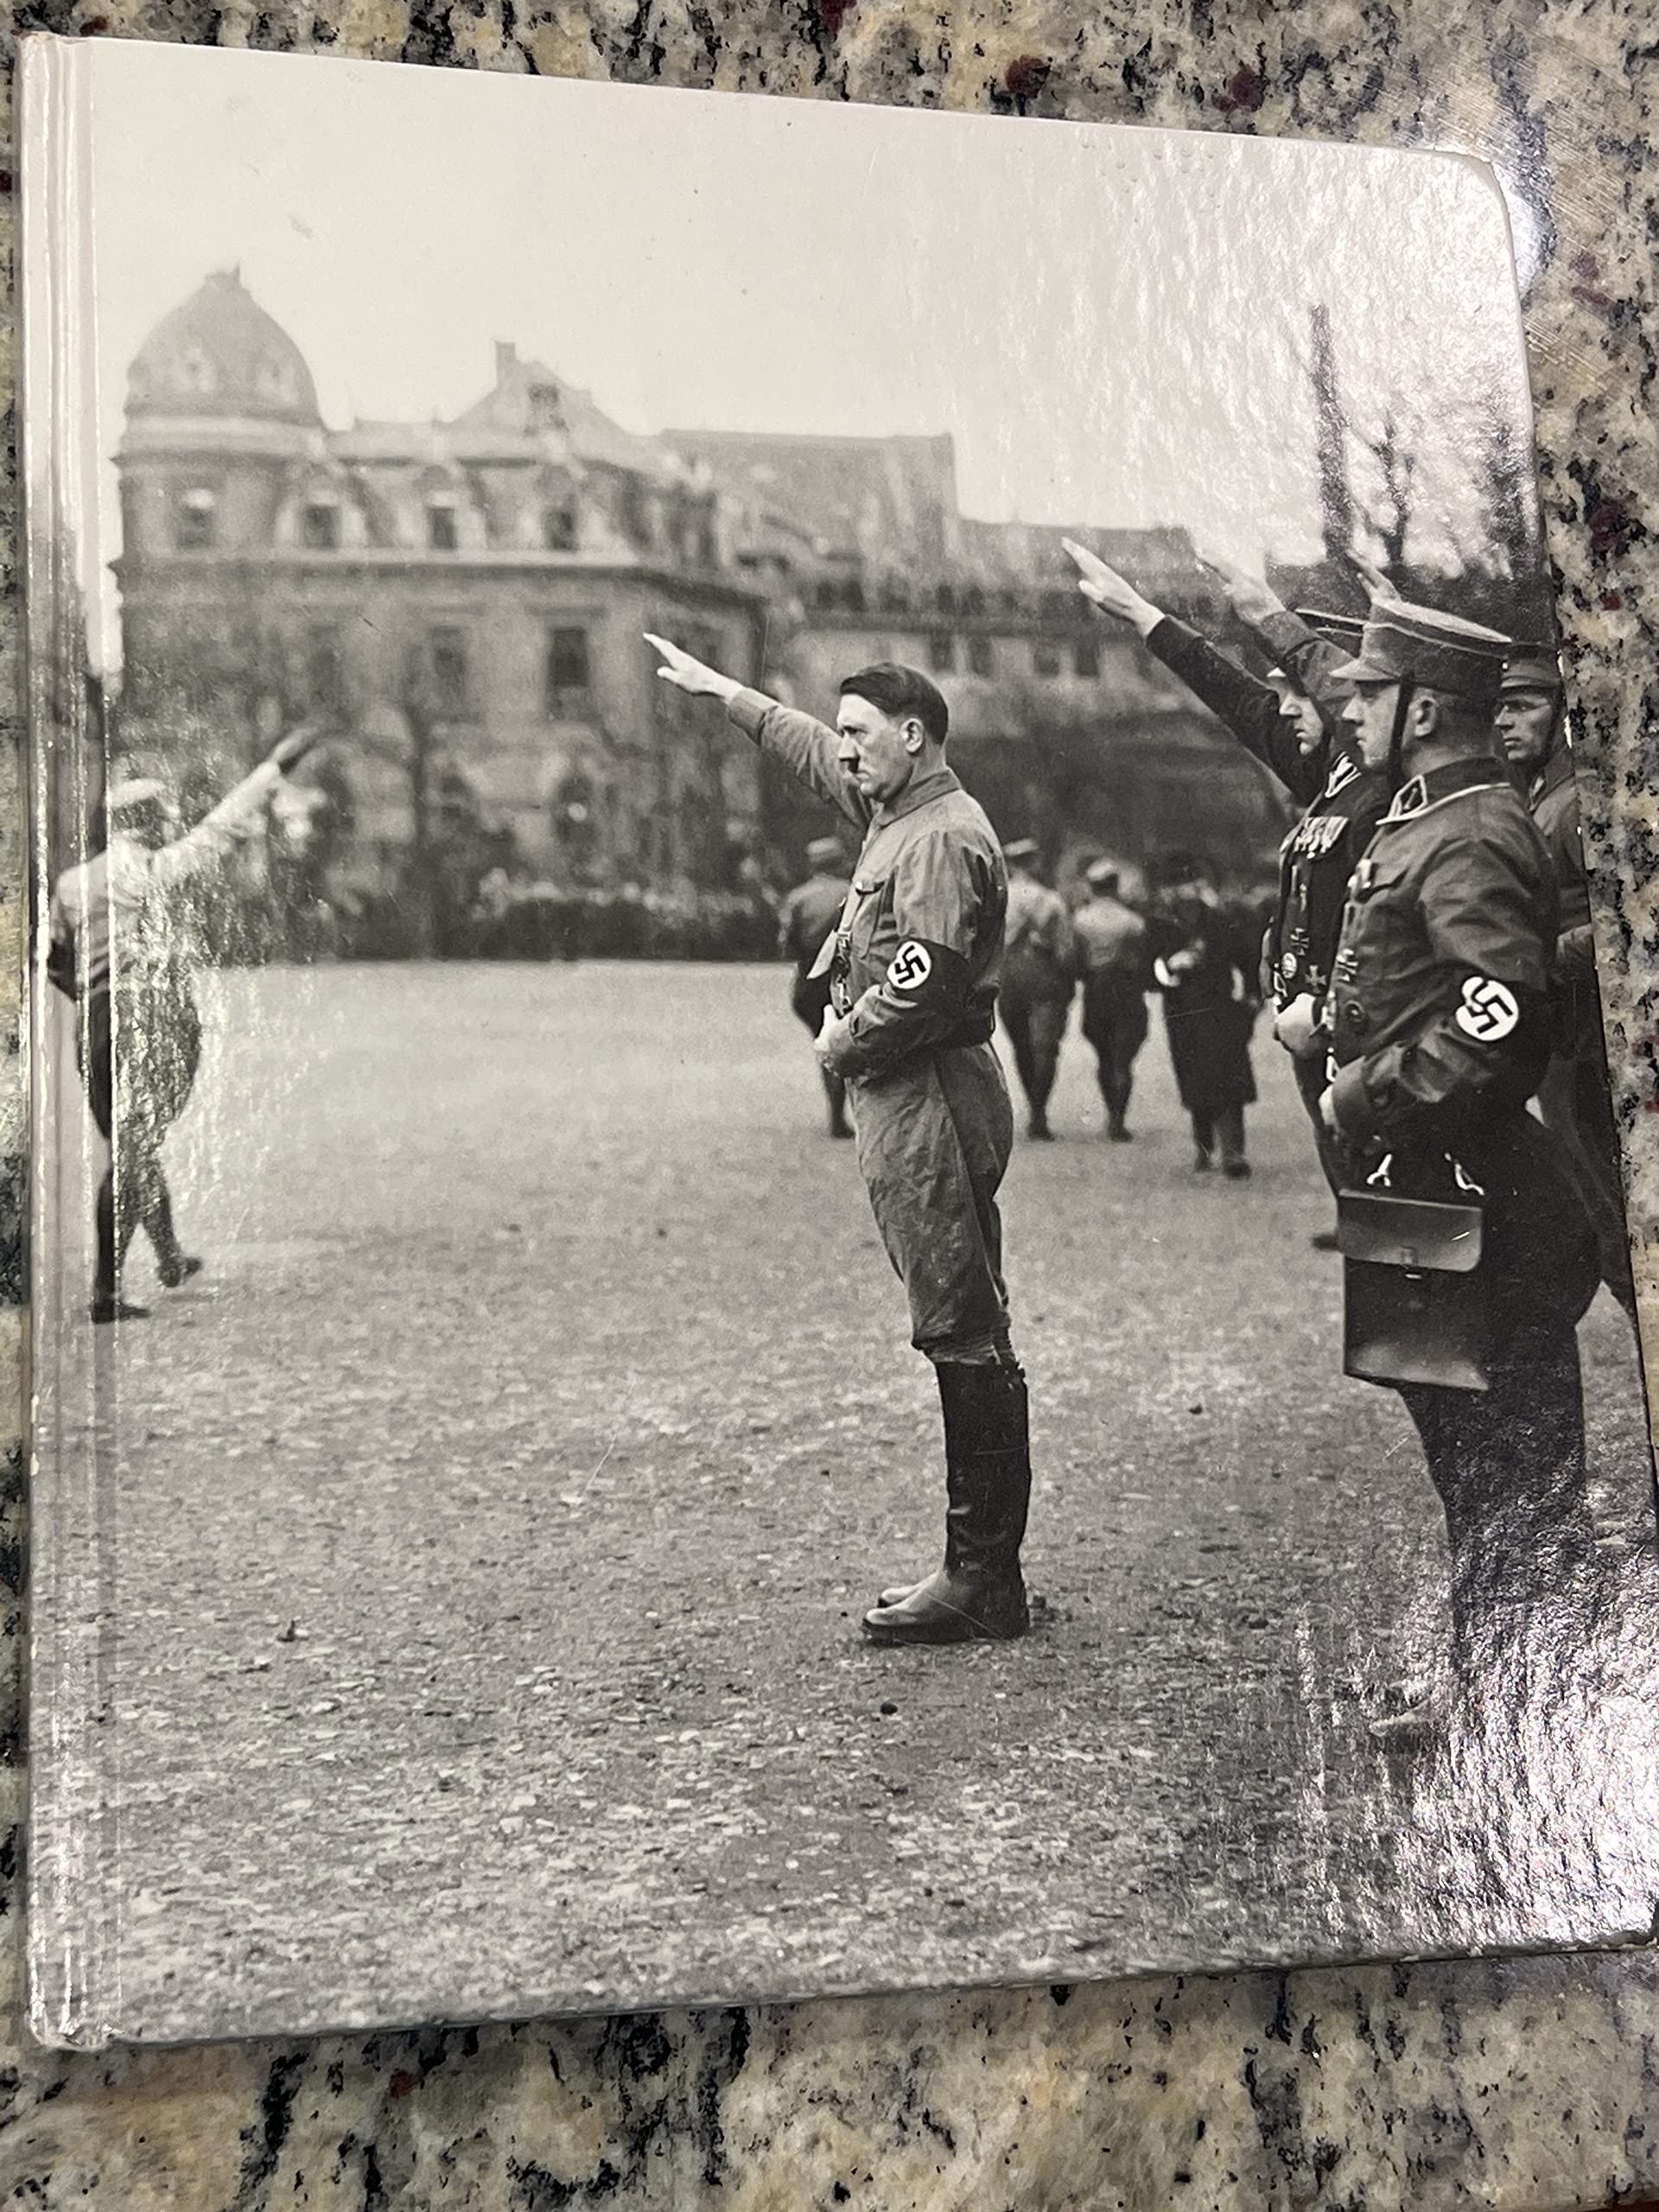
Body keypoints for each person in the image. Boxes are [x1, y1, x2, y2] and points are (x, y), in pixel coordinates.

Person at [645, 632, 1030, 1645]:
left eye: (862, 732)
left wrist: (840, 1042)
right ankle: (982, 1568)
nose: (846, 749)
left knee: (960, 1321)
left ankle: (982, 1576)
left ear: (915, 736)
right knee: (960, 1314)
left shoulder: (936, 836)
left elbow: (926, 978)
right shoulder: (903, 808)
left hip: (927, 1087)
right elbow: (813, 751)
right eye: (845, 733)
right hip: (913, 1088)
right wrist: (728, 694)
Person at [1319, 600, 1602, 1743]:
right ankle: (1494, 1691)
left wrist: (1367, 1090)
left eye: (1368, 692)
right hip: (1437, 1183)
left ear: (1424, 708)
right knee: (1474, 1461)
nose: (1350, 707)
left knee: (1511, 1471)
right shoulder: (1431, 815)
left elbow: (1496, 1017)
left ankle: (1522, 1720)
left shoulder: (1471, 829)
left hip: (1482, 1190)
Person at [1063, 539, 1389, 1214]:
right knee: (1361, 1207)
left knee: (1391, 1215)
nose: (1286, 710)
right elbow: (1238, 702)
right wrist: (1148, 619)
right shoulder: (1329, 775)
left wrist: (1270, 617)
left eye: (1300, 695)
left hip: (1361, 1031)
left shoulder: (1382, 779)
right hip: (1318, 1037)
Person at [47, 722, 325, 1321]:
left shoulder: (70, 885)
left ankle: (170, 1257)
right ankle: (105, 1292)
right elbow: (224, 823)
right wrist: (273, 768)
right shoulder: (164, 867)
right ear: (153, 824)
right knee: (135, 1149)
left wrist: (98, 996)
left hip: (96, 1021)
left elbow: (56, 966)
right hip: (157, 1015)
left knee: (130, 1144)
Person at [1495, 648, 1637, 1321]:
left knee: (1614, 1218)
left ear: (1563, 715)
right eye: (1498, 708)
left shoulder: (1578, 798)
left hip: (1594, 1036)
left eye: (1523, 707)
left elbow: (1630, 917)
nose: (1505, 722)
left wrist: (1541, 956)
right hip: (1568, 1036)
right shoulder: (1541, 795)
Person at [1147, 854, 1261, 1178]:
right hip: (1182, 1012)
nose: (1184, 892)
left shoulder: (1221, 921)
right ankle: (1204, 1147)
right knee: (1195, 1081)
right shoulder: (1160, 926)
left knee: (1230, 1080)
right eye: (1177, 886)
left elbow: (1248, 959)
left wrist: (1252, 996)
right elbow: (1146, 972)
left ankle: (1233, 1153)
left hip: (1220, 1008)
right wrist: (1171, 967)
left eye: (1190, 884)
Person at [999, 838, 1076, 1141]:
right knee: (1044, 1047)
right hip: (1044, 975)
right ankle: (1038, 1112)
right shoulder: (1051, 900)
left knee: (1021, 1046)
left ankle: (1033, 1105)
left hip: (1008, 977)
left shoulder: (999, 899)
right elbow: (1066, 950)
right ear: (1034, 862)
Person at [779, 836, 854, 1138]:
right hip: (843, 978)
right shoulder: (852, 892)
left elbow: (786, 946)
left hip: (808, 982)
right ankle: (839, 1114)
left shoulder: (798, 898)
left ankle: (835, 1113)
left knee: (825, 1044)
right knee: (843, 1043)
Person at [1070, 861, 1151, 1140]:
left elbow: (1076, 961)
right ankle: (1119, 1117)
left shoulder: (1081, 920)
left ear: (1092, 886)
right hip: (1126, 988)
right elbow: (1141, 958)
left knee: (1104, 1055)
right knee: (1122, 1057)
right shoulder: (1132, 921)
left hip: (1097, 988)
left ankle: (1111, 1112)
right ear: (1115, 885)